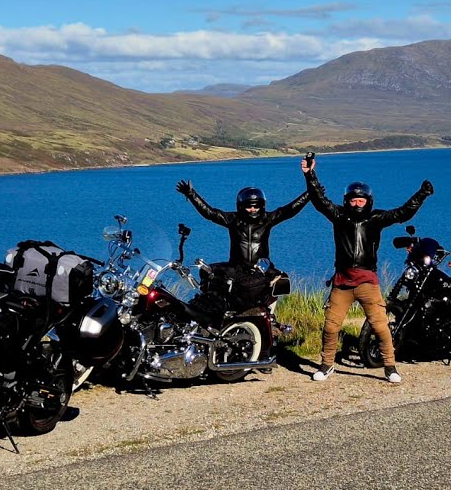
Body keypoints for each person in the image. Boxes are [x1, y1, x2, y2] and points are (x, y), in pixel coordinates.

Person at [300, 153, 434, 384]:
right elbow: (319, 199)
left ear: (368, 201)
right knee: (331, 327)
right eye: (353, 199)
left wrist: (421, 195)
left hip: (367, 282)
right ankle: (326, 364)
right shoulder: (339, 216)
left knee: (381, 326)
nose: (357, 203)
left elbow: (403, 213)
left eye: (361, 200)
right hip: (342, 282)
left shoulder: (376, 218)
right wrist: (310, 174)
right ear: (346, 201)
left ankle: (390, 367)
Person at [175, 179, 309, 310]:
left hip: (261, 268)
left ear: (262, 206)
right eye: (249, 206)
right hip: (237, 267)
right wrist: (192, 195)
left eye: (256, 206)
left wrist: (309, 194)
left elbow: (289, 210)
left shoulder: (268, 219)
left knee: (278, 282)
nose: (252, 209)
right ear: (240, 206)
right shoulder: (233, 219)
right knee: (206, 271)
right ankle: (209, 305)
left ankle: (269, 317)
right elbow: (210, 213)